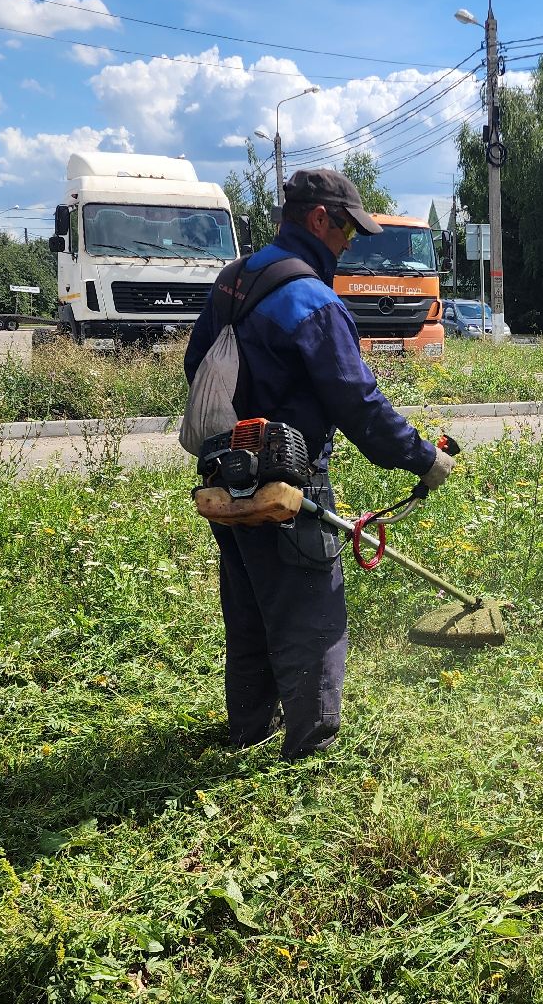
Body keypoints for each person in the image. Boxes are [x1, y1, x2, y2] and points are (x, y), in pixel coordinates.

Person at [184, 168, 455, 762]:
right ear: (318, 219)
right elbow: (358, 403)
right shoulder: (312, 301)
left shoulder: (233, 279)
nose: (348, 243)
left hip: (225, 477)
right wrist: (422, 459)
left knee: (251, 604)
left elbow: (196, 366)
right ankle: (309, 750)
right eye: (345, 231)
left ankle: (250, 726)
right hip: (288, 483)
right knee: (313, 615)